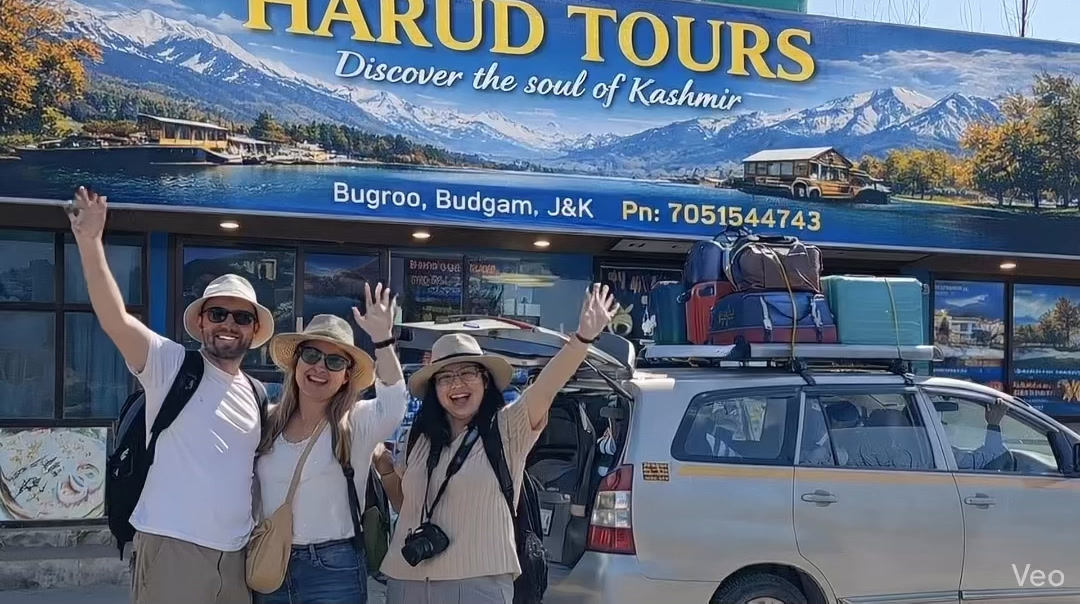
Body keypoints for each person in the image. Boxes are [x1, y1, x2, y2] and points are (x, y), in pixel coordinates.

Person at [67, 186, 272, 604]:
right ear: (201, 322)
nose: (228, 324)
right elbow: (115, 319)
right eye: (218, 313)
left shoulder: (257, 393)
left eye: (240, 317)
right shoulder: (170, 365)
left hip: (236, 557)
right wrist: (90, 242)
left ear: (254, 330)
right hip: (172, 549)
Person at [372, 284, 619, 604]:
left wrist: (582, 338)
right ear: (434, 388)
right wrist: (386, 470)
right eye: (445, 378)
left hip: (478, 585)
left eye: (468, 373)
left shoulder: (508, 428)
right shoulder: (419, 438)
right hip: (408, 582)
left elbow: (546, 387)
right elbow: (405, 505)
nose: (457, 384)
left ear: (485, 381)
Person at [254, 284, 407, 604]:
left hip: (334, 569)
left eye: (335, 361)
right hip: (271, 560)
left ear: (347, 375)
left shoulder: (357, 422)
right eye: (311, 355)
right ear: (296, 362)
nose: (320, 367)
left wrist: (383, 339)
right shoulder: (268, 421)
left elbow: (394, 404)